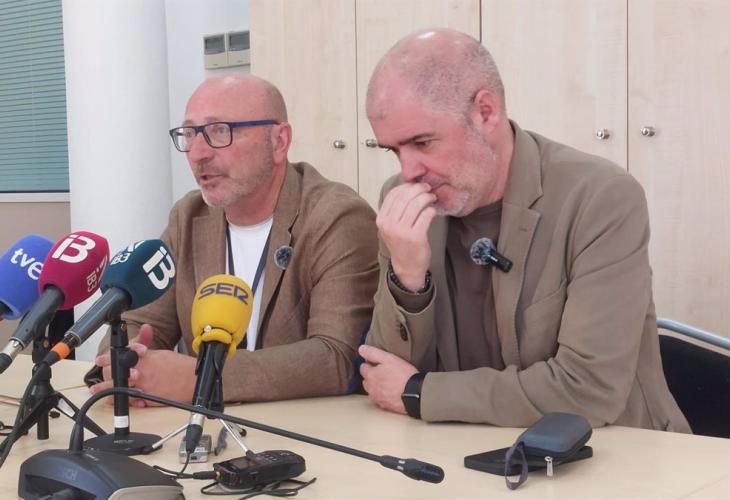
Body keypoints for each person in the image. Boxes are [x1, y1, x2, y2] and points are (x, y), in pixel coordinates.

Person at [358, 28, 690, 432]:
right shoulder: (401, 201)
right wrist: (408, 278)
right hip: (465, 446)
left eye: (423, 143)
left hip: (615, 448)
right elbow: (382, 375)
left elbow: (588, 390)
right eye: (394, 150)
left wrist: (420, 392)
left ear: (486, 112)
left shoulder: (601, 198)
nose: (409, 171)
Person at [89, 74, 378, 405]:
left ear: (279, 141)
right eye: (189, 134)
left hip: (304, 428)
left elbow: (337, 358)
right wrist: (130, 367)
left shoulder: (337, 217)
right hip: (201, 428)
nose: (198, 153)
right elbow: (138, 323)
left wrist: (201, 380)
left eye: (219, 131)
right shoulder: (188, 216)